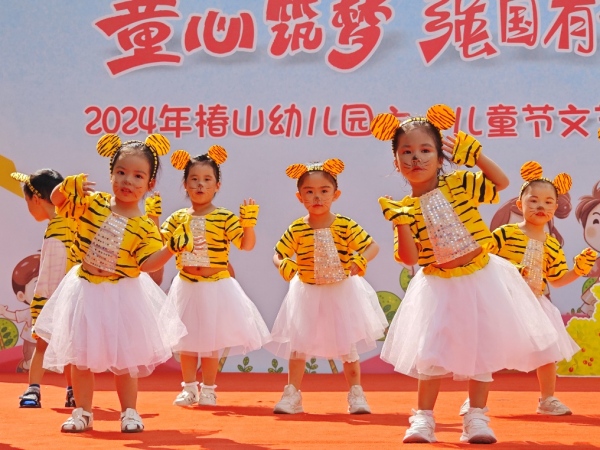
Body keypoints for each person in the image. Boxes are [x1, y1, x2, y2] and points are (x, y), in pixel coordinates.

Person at [372, 105, 563, 444]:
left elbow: (501, 183)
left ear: (441, 155)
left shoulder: (459, 183)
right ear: (395, 163)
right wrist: (400, 222)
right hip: (437, 285)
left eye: (425, 150)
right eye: (407, 152)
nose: (416, 158)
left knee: (481, 348)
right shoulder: (405, 207)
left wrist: (476, 156)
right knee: (431, 352)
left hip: (481, 278)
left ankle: (476, 417)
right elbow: (408, 257)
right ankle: (423, 419)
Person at [35, 134, 188, 433]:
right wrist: (64, 188)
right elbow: (59, 203)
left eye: (137, 176)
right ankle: (83, 411)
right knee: (80, 359)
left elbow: (147, 264)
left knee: (125, 360)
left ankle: (129, 411)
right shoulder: (92, 204)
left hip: (123, 295)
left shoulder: (145, 226)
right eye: (120, 172)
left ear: (150, 184)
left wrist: (171, 249)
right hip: (84, 291)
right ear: (111, 173)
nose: (127, 181)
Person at [461, 161, 595, 415]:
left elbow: (556, 280)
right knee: (486, 350)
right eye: (533, 201)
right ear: (519, 204)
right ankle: (474, 400)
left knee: (547, 352)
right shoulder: (504, 233)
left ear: (555, 207)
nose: (540, 206)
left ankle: (547, 399)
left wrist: (578, 269)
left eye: (547, 202)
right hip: (501, 303)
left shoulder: (553, 245)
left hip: (536, 304)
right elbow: (481, 259)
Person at [267, 159, 388, 415]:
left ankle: (356, 394)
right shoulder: (297, 227)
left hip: (341, 292)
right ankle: (292, 395)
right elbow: (278, 252)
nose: (317, 197)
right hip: (307, 292)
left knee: (348, 346)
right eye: (309, 192)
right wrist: (283, 264)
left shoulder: (344, 225)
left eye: (324, 191)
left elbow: (372, 246)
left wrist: (360, 258)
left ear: (336, 194)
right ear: (300, 197)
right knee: (298, 345)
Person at [163, 146, 270, 407]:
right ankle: (189, 388)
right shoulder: (177, 217)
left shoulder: (224, 217)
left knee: (211, 340)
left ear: (217, 185)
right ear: (185, 185)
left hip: (215, 287)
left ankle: (209, 388)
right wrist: (154, 217)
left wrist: (248, 224)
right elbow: (159, 242)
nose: (200, 185)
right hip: (186, 285)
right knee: (186, 339)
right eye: (194, 179)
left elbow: (246, 245)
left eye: (207, 179)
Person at [10, 170, 78, 408]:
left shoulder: (56, 231)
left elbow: (51, 274)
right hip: (75, 298)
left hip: (54, 299)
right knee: (72, 350)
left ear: (36, 200)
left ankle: (33, 390)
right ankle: (73, 392)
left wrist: (40, 305)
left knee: (41, 345)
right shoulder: (72, 222)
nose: (28, 206)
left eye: (27, 200)